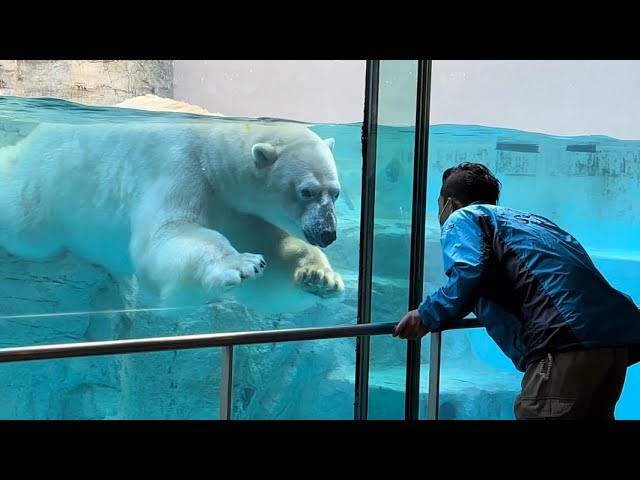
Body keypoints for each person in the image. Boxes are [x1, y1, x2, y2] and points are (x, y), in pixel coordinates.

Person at [393, 162, 640, 420]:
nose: (440, 215)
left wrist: (426, 314)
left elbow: (468, 271)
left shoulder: (464, 218)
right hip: (611, 345)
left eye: (439, 205)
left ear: (450, 204)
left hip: (564, 344)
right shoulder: (533, 223)